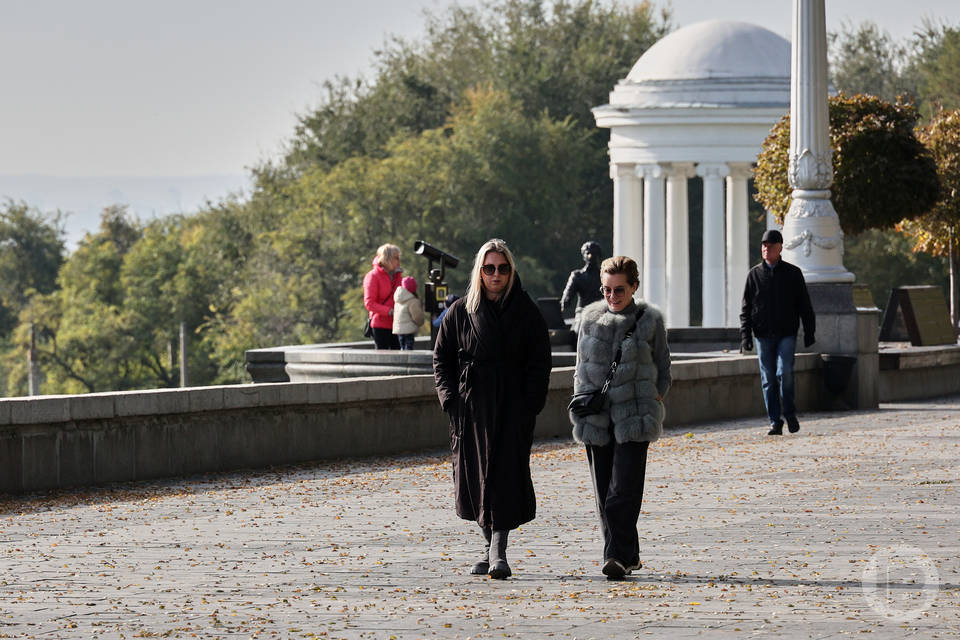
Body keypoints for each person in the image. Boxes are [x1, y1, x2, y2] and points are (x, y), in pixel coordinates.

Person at [433, 239, 552, 580]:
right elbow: (441, 358)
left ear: (511, 271)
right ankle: (489, 548)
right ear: (480, 272)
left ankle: (497, 551)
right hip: (472, 407)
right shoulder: (461, 311)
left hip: (512, 405)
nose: (496, 274)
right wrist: (450, 399)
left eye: (502, 268)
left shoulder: (526, 310)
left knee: (504, 474)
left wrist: (531, 402)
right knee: (477, 477)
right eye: (489, 268)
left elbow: (539, 361)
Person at [569, 255, 671, 580]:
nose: (612, 297)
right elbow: (579, 366)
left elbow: (664, 370)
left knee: (622, 491)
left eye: (620, 290)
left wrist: (653, 398)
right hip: (597, 419)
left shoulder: (649, 321)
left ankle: (613, 555)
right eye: (607, 290)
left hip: (634, 417)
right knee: (604, 494)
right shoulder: (589, 318)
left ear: (634, 287)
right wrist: (581, 402)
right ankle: (627, 556)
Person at [740, 229, 816, 436]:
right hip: (762, 334)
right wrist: (746, 336)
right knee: (769, 379)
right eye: (764, 245)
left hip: (786, 333)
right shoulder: (754, 275)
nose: (766, 249)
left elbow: (804, 306)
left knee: (786, 374)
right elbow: (746, 308)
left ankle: (789, 413)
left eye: (771, 245)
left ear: (780, 248)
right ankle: (775, 421)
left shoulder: (793, 274)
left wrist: (810, 332)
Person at [363, 243, 403, 350]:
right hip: (380, 325)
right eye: (396, 258)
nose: (399, 261)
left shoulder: (398, 276)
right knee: (384, 356)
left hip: (397, 324)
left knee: (399, 356)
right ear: (388, 258)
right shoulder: (372, 276)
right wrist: (389, 311)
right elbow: (369, 303)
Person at [561, 241, 604, 334]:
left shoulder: (605, 275)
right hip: (583, 312)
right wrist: (566, 300)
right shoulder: (577, 275)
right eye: (588, 253)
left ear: (599, 256)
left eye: (594, 253)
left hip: (602, 312)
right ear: (583, 256)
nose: (590, 256)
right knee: (579, 330)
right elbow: (567, 295)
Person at [393, 276, 424, 350]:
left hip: (399, 329)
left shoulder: (398, 299)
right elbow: (417, 316)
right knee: (408, 349)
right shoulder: (413, 301)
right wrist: (420, 323)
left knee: (402, 347)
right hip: (409, 330)